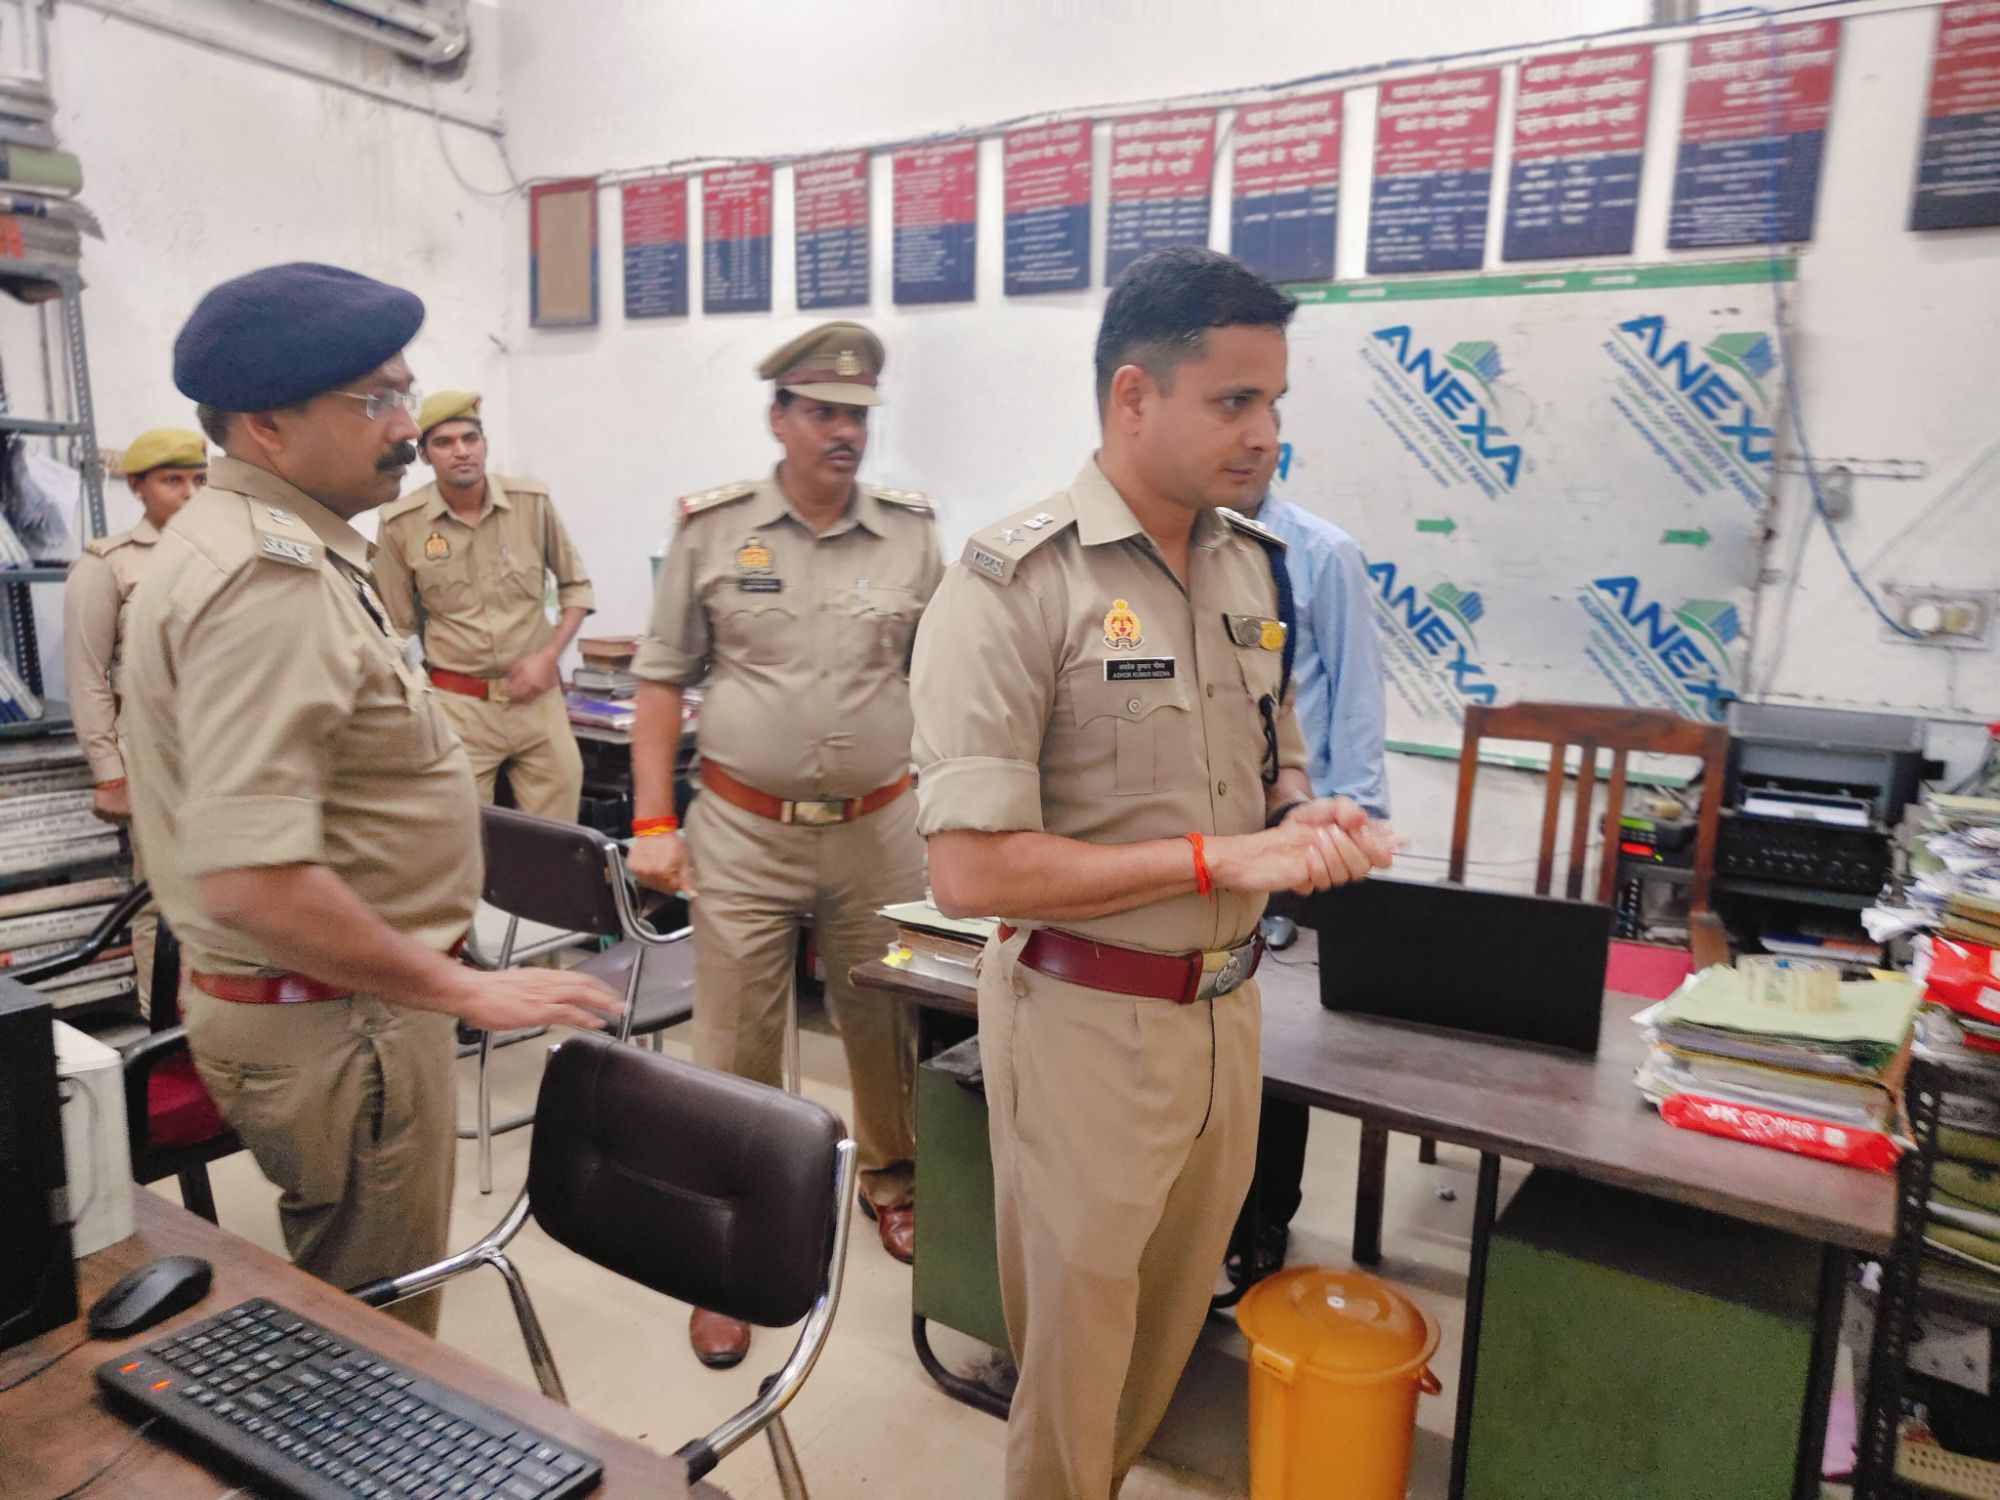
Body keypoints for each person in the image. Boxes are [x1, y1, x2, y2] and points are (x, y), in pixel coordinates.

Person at [909, 246, 1395, 1500]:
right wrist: (1218, 855)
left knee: (1164, 1337)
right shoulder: (1015, 584)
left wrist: (1306, 814)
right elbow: (967, 870)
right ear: (1133, 396)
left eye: (1272, 402)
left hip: (1225, 1016)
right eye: (1232, 401)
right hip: (1086, 1021)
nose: (1263, 433)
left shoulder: (1249, 565)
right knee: (1074, 1366)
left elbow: (1270, 760)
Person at [120, 263, 620, 1332]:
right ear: (266, 425)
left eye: (405, 392)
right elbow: (255, 881)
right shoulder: (267, 583)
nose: (406, 427)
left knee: (355, 1301)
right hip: (346, 1020)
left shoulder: (261, 546)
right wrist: (460, 990)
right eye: (375, 400)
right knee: (378, 1340)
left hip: (335, 1004)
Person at [627, 321, 940, 1369]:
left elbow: (944, 676)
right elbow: (660, 680)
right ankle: (726, 1245)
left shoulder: (912, 533)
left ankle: (893, 1183)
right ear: (778, 419)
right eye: (822, 412)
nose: (843, 431)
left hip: (878, 830)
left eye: (857, 414)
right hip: (742, 833)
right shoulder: (713, 530)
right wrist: (652, 824)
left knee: (884, 1026)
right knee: (734, 1040)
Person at [1231, 434, 1391, 1284]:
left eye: (1262, 418)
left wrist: (1359, 828)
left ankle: (1266, 1220)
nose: (1247, 442)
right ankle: (1212, 1212)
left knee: (1279, 1040)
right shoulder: (1184, 548)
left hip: (1304, 835)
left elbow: (1356, 697)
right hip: (1217, 838)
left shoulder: (1322, 555)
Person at [374, 390, 594, 821]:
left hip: (539, 704)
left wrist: (548, 657)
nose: (461, 451)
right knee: (465, 837)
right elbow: (398, 630)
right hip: (459, 708)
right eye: (444, 443)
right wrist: (421, 704)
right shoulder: (401, 524)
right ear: (425, 456)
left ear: (484, 444)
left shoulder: (531, 504)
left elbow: (577, 589)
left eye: (470, 439)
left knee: (560, 839)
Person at [63, 427, 207, 1012]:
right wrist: (108, 771)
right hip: (152, 754)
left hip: (224, 745)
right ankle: (162, 1027)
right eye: (173, 481)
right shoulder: (106, 565)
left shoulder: (222, 554)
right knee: (160, 899)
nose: (190, 493)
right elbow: (86, 675)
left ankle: (223, 1025)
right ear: (137, 487)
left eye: (199, 479)